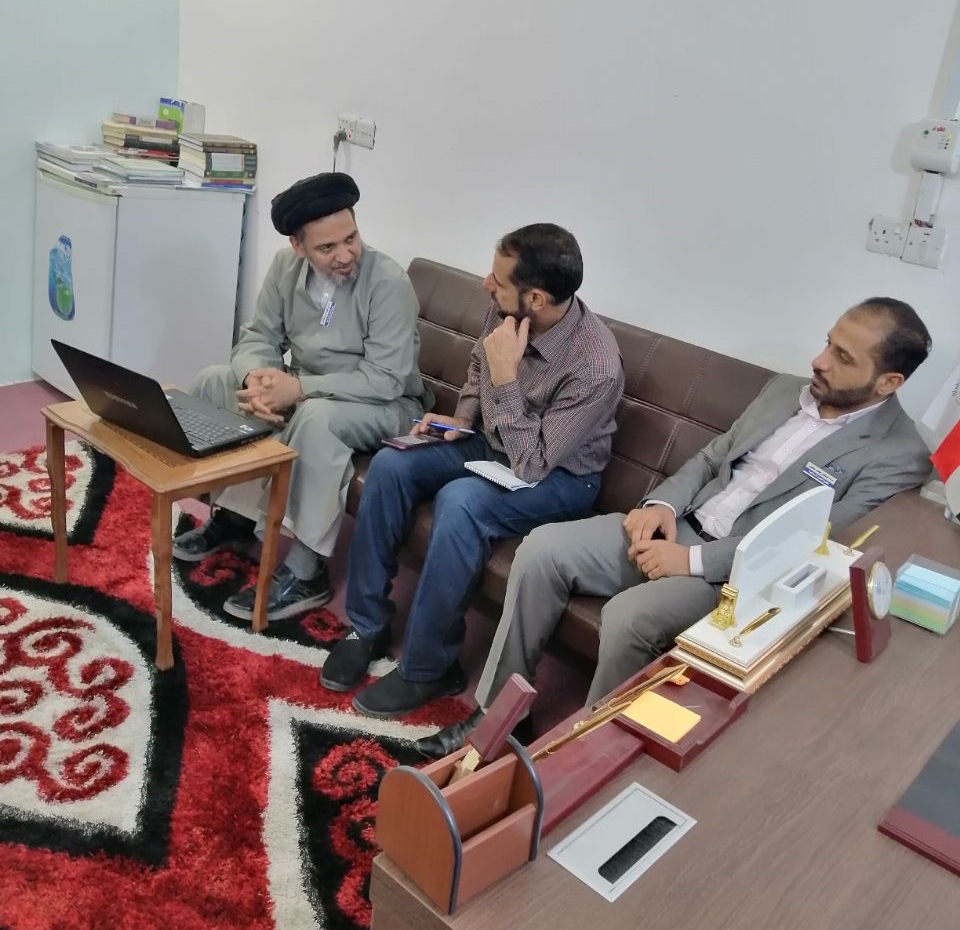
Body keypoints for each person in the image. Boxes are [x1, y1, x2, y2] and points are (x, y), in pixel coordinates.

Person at [417, 296, 933, 757]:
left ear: (888, 382)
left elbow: (815, 543)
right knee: (541, 551)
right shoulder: (785, 391)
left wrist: (691, 561)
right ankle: (499, 717)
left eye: (843, 357)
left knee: (627, 617)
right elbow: (712, 458)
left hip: (733, 576)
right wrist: (661, 504)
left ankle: (585, 757)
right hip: (679, 523)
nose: (819, 360)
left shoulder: (898, 455)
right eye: (827, 343)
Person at [320, 222, 625, 716]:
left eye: (498, 281)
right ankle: (366, 625)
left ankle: (429, 668)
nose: (487, 284)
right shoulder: (506, 309)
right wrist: (461, 420)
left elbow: (532, 463)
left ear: (536, 299)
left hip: (560, 478)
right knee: (393, 462)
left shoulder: (595, 366)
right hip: (492, 441)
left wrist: (506, 376)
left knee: (460, 502)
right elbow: (479, 371)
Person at [172, 172, 429, 621]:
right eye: (327, 247)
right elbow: (259, 336)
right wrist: (256, 379)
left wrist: (299, 390)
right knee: (216, 381)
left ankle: (308, 571)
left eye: (351, 238)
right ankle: (233, 517)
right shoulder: (284, 268)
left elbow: (385, 378)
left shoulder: (387, 281)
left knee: (317, 419)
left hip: (386, 405)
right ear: (298, 246)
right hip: (309, 387)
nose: (345, 254)